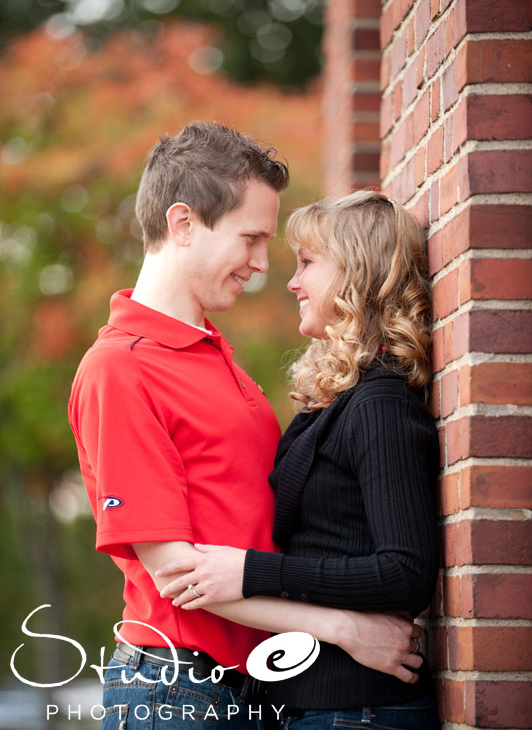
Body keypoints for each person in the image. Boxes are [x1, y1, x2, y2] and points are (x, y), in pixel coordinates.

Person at [69, 125, 424, 730]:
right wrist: (346, 628)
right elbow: (178, 573)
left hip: (259, 681)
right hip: (177, 687)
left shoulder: (218, 358)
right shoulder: (120, 368)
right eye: (251, 239)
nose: (262, 265)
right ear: (182, 224)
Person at [156, 191, 441, 729]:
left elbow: (407, 571)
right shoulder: (339, 399)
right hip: (319, 704)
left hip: (359, 710)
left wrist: (249, 572)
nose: (291, 282)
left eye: (307, 263)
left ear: (356, 274)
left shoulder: (379, 403)